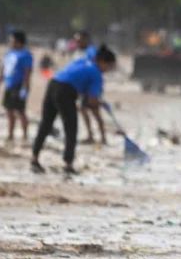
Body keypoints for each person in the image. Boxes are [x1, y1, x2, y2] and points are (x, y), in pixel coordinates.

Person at [31, 45, 117, 175]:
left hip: (53, 83)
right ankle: (68, 164)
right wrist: (101, 102)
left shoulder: (83, 61)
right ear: (103, 62)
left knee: (46, 123)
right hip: (66, 90)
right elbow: (92, 101)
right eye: (109, 67)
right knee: (71, 128)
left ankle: (34, 158)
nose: (108, 70)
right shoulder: (96, 73)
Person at [0, 30, 34, 142]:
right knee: (9, 111)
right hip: (9, 85)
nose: (10, 42)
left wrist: (25, 87)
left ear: (18, 42)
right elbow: (4, 69)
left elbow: (27, 72)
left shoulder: (25, 55)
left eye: (12, 40)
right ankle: (10, 134)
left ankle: (25, 135)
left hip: (19, 86)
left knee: (20, 111)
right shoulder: (9, 53)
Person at [71, 31, 107, 145]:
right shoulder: (77, 53)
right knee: (83, 110)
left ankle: (103, 137)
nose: (77, 42)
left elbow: (97, 69)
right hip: (81, 87)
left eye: (79, 40)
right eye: (76, 40)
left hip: (92, 86)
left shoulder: (92, 52)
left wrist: (97, 89)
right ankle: (90, 135)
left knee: (95, 111)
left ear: (85, 39)